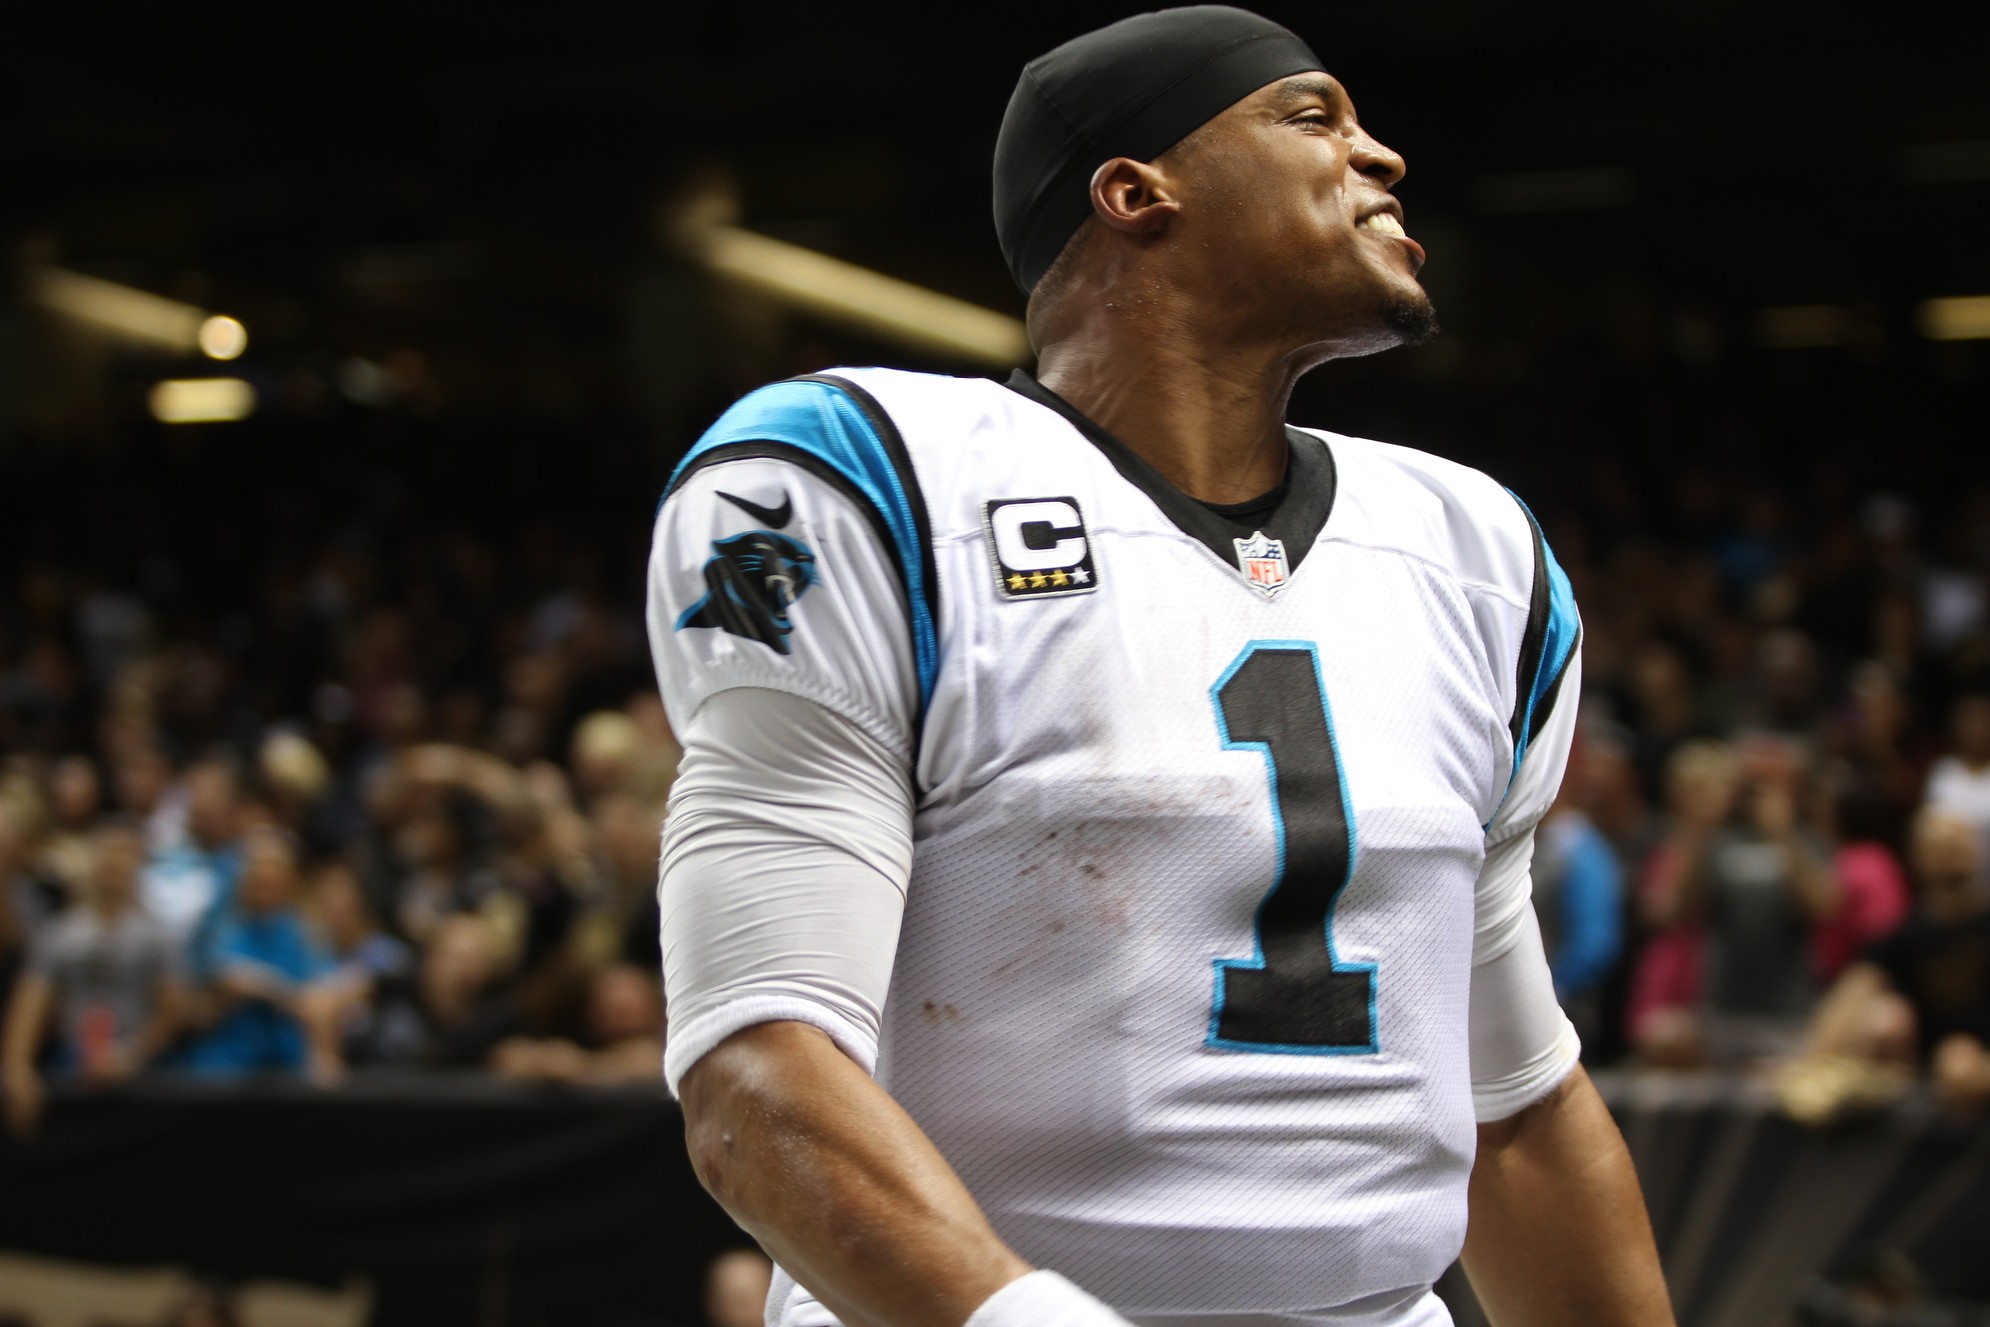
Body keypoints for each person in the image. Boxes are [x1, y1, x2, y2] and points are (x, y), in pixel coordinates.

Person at [646, 9, 1671, 1327]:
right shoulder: (864, 476)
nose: (1383, 157)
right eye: (1312, 117)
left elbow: (1516, 1105)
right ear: (1136, 189)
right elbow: (755, 1076)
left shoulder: (1471, 548)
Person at [1803, 809, 1990, 1117]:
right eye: (1941, 845)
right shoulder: (1906, 933)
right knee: (1885, 1020)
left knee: (1959, 1062)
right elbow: (1855, 990)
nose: (1954, 851)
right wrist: (1809, 1063)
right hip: (1928, 1065)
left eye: (1961, 841)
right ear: (1919, 858)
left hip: (1975, 1059)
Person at [1, 821, 185, 1135]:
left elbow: (173, 1009)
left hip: (139, 1072)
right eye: (108, 852)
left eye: (125, 853)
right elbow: (32, 1000)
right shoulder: (61, 932)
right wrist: (17, 1069)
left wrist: (133, 1054)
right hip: (71, 1065)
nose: (115, 861)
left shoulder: (157, 935)